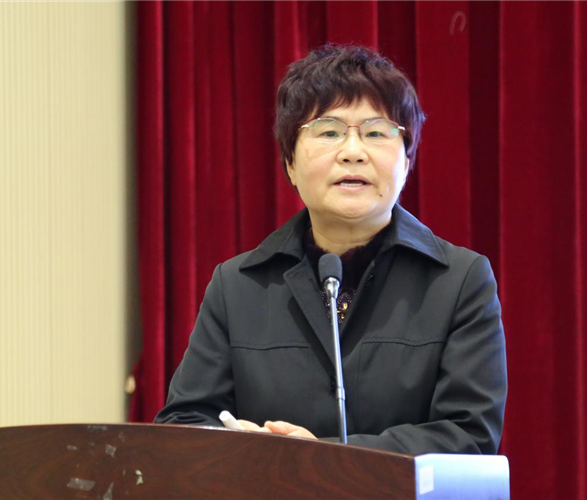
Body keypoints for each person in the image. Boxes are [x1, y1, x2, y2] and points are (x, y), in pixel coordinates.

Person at [155, 44, 507, 455]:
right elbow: (182, 425)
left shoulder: (460, 281)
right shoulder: (237, 287)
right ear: (290, 163)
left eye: (376, 132)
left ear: (407, 159)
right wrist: (248, 451)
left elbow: (468, 437)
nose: (353, 152)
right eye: (328, 132)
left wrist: (318, 459)